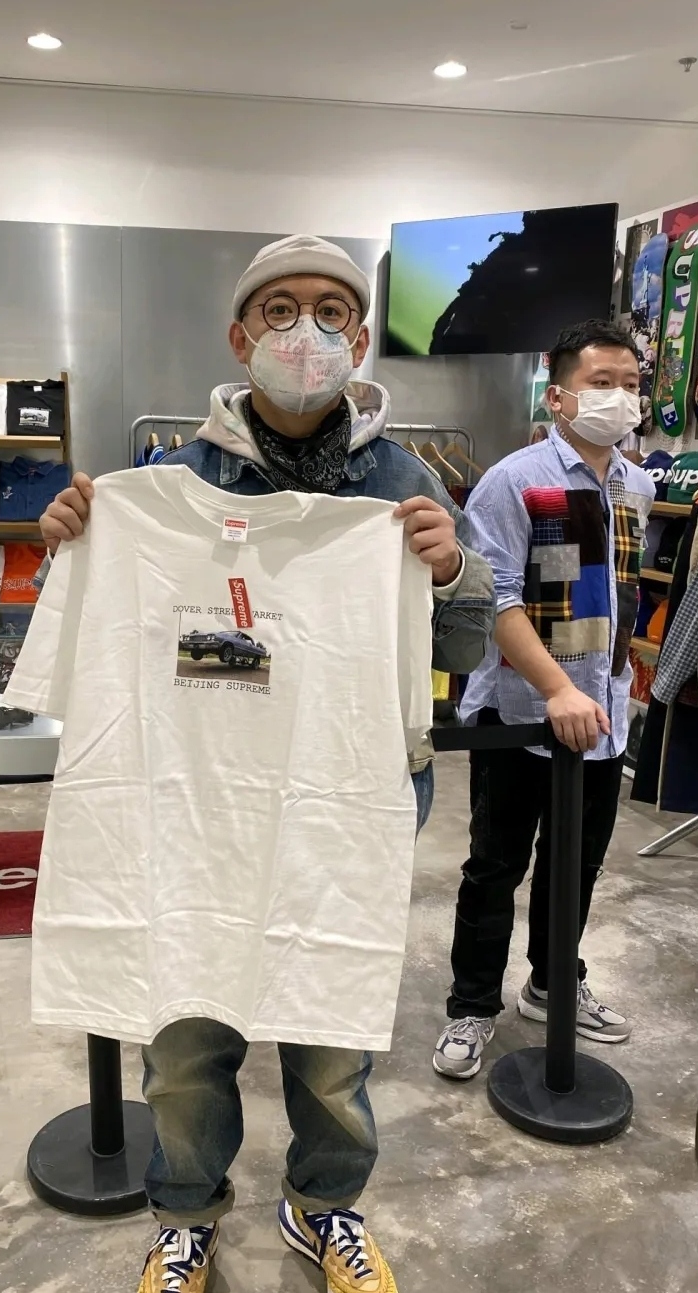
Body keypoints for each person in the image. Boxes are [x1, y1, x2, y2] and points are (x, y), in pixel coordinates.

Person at [38, 234, 495, 1293]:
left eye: (332, 311)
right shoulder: (164, 484)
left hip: (343, 798)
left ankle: (323, 1206)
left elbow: (464, 652)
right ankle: (185, 1215)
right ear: (240, 335)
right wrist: (72, 544)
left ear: (361, 339)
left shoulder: (406, 483)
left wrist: (451, 572)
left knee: (330, 1032)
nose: (306, 332)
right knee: (184, 1031)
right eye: (281, 309)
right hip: (195, 805)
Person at [433, 319, 656, 1082]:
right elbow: (493, 597)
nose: (620, 397)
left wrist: (603, 691)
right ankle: (471, 1004)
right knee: (495, 865)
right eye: (602, 382)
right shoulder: (514, 481)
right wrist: (556, 688)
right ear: (558, 397)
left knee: (578, 865)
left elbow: (619, 598)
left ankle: (554, 982)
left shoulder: (636, 485)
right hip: (520, 716)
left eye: (631, 384)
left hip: (602, 716)